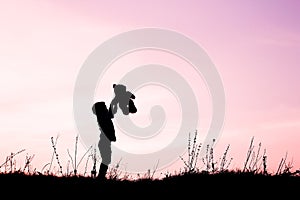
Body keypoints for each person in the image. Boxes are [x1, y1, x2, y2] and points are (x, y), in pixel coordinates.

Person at [92, 101, 116, 180]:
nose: (106, 108)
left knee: (106, 160)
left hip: (104, 142)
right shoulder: (103, 117)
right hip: (104, 142)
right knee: (106, 160)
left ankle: (101, 176)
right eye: (104, 107)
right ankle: (101, 177)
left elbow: (111, 114)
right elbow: (110, 114)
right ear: (101, 110)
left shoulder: (103, 116)